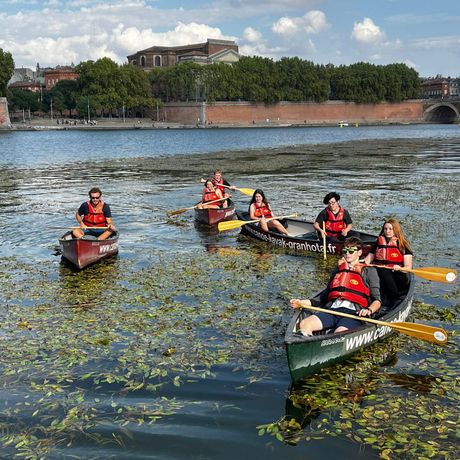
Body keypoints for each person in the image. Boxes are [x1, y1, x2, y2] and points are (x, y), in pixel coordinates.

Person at [290, 237, 381, 336]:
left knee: (339, 334)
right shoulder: (338, 270)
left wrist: (369, 310)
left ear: (359, 253)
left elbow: (377, 300)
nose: (347, 253)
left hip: (353, 314)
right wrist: (300, 302)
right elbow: (323, 296)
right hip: (333, 310)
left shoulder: (369, 271)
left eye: (351, 251)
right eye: (345, 250)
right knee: (304, 324)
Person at [364, 218, 413, 303]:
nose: (387, 231)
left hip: (397, 274)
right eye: (385, 229)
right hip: (380, 272)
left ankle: (395, 297)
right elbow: (367, 261)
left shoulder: (403, 245)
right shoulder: (378, 243)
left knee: (384, 271)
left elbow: (408, 267)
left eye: (390, 229)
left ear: (396, 230)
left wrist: (400, 268)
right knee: (374, 271)